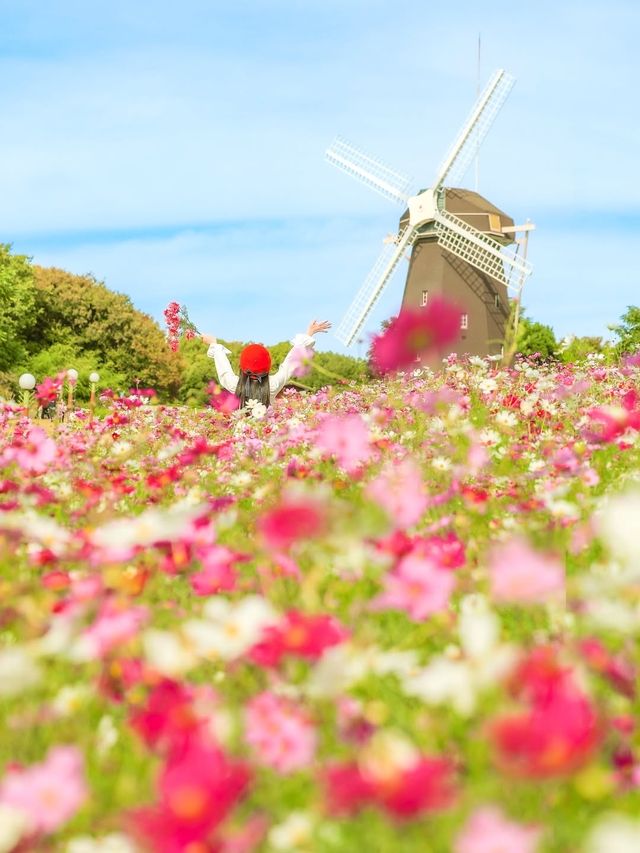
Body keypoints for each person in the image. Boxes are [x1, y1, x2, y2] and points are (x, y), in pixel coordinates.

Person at [201, 320, 331, 409]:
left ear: (242, 367)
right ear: (267, 366)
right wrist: (308, 334)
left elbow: (224, 372)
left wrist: (214, 343)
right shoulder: (272, 385)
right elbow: (290, 362)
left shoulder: (236, 385)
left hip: (241, 437)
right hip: (267, 437)